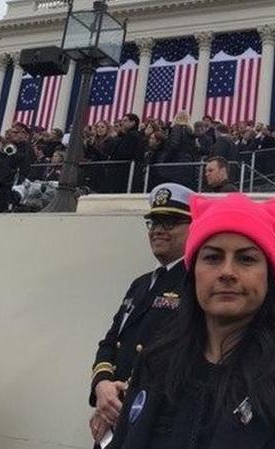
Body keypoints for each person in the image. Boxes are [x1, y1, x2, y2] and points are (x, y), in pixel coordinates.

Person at [107, 193, 275, 449]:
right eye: (213, 257)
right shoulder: (155, 362)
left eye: (246, 259)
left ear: (269, 275)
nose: (227, 272)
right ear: (193, 273)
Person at [88, 183, 194, 443]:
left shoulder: (195, 284)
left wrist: (126, 394)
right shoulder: (141, 284)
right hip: (114, 414)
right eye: (154, 222)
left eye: (170, 222)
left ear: (193, 227)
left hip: (154, 420)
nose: (158, 230)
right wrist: (102, 386)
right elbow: (111, 342)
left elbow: (182, 355)